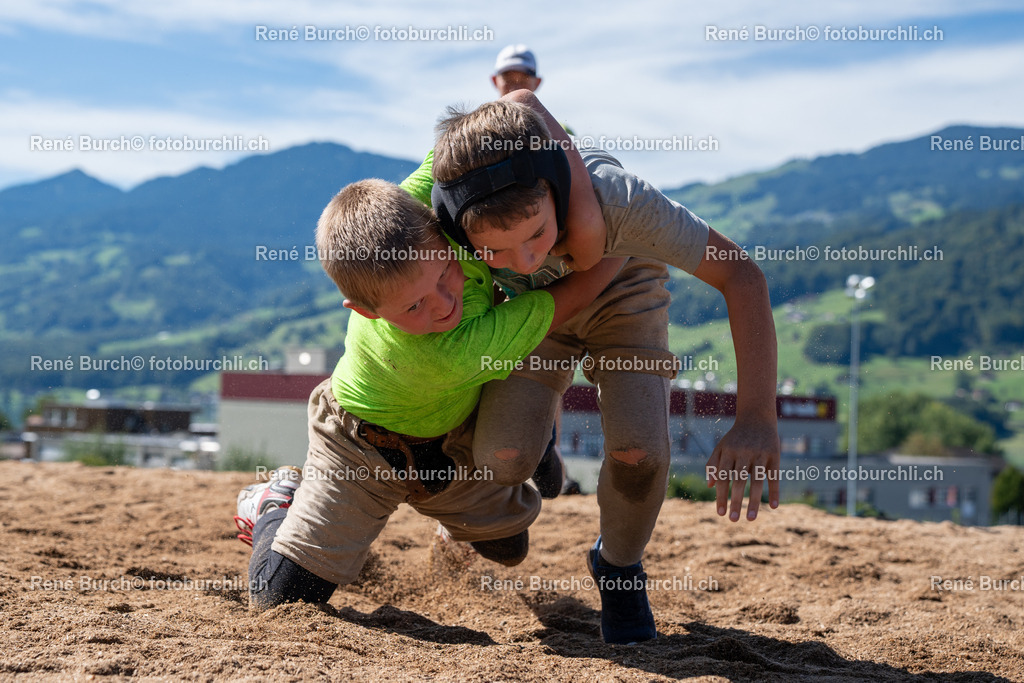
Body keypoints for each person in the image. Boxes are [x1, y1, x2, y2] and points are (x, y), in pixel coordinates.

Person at [416, 91, 781, 644]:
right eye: (497, 252)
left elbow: (742, 276)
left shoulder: (621, 203)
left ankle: (619, 567)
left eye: (538, 233)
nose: (527, 260)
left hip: (623, 288)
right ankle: (534, 445)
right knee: (504, 457)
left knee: (639, 453)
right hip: (536, 314)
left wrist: (755, 418)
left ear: (557, 189)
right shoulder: (440, 227)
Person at [233, 177, 625, 610]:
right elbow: (577, 291)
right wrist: (629, 239)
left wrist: (549, 152)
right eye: (414, 306)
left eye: (444, 272)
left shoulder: (414, 213)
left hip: (452, 445)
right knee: (281, 602)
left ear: (436, 226)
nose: (443, 305)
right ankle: (277, 501)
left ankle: (453, 522)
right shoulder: (450, 348)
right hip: (360, 447)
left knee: (511, 548)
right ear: (367, 311)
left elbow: (483, 142)